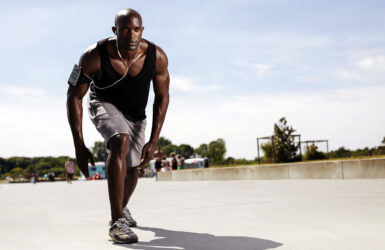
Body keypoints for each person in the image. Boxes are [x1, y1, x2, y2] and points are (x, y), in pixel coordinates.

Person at [66, 8, 170, 244]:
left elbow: (162, 97)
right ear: (115, 31)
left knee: (134, 168)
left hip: (136, 115)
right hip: (103, 103)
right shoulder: (92, 56)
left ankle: (121, 209)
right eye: (125, 29)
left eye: (136, 29)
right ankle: (116, 224)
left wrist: (153, 140)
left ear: (142, 30)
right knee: (119, 140)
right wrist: (79, 145)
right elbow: (73, 96)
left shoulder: (158, 57)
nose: (131, 35)